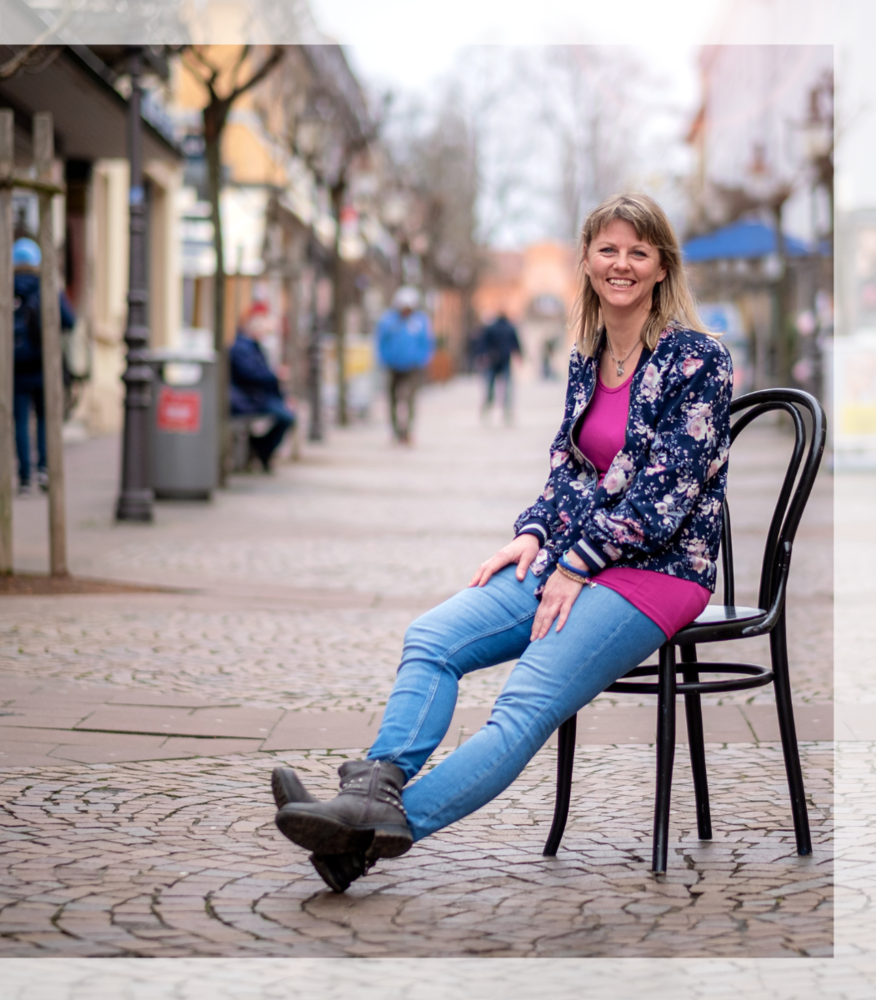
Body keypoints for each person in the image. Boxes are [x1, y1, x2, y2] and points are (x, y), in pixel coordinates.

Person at [270, 193, 734, 893]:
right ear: (584, 260)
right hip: (574, 557)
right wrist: (536, 533)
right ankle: (371, 789)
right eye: (608, 249)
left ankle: (360, 841)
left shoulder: (699, 360)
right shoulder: (589, 354)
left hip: (659, 572)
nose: (622, 264)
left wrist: (576, 565)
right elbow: (568, 467)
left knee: (523, 703)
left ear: (663, 267)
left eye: (639, 251)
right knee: (433, 636)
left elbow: (664, 500)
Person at [0, 237, 76, 494]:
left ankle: (24, 476)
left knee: (19, 420)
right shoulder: (47, 286)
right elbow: (70, 320)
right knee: (45, 418)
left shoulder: (1, 287)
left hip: (14, 365)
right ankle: (43, 470)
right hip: (44, 364)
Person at [229, 302, 295, 472]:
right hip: (249, 398)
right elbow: (252, 375)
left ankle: (260, 447)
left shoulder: (253, 346)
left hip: (257, 396)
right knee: (286, 417)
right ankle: (261, 448)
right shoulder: (242, 348)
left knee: (288, 415)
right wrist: (275, 375)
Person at [377, 286, 434, 444]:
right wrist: (385, 358)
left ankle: (407, 430)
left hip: (412, 366)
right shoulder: (388, 320)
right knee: (392, 399)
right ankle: (395, 431)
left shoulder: (420, 321)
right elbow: (381, 341)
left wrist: (421, 359)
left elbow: (427, 342)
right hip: (392, 365)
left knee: (410, 399)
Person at [476, 310, 522, 422]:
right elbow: (516, 344)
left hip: (492, 359)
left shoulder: (491, 327)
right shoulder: (510, 328)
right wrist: (519, 356)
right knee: (507, 387)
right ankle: (507, 412)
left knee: (490, 387)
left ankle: (486, 409)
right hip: (505, 360)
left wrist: (482, 356)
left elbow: (483, 344)